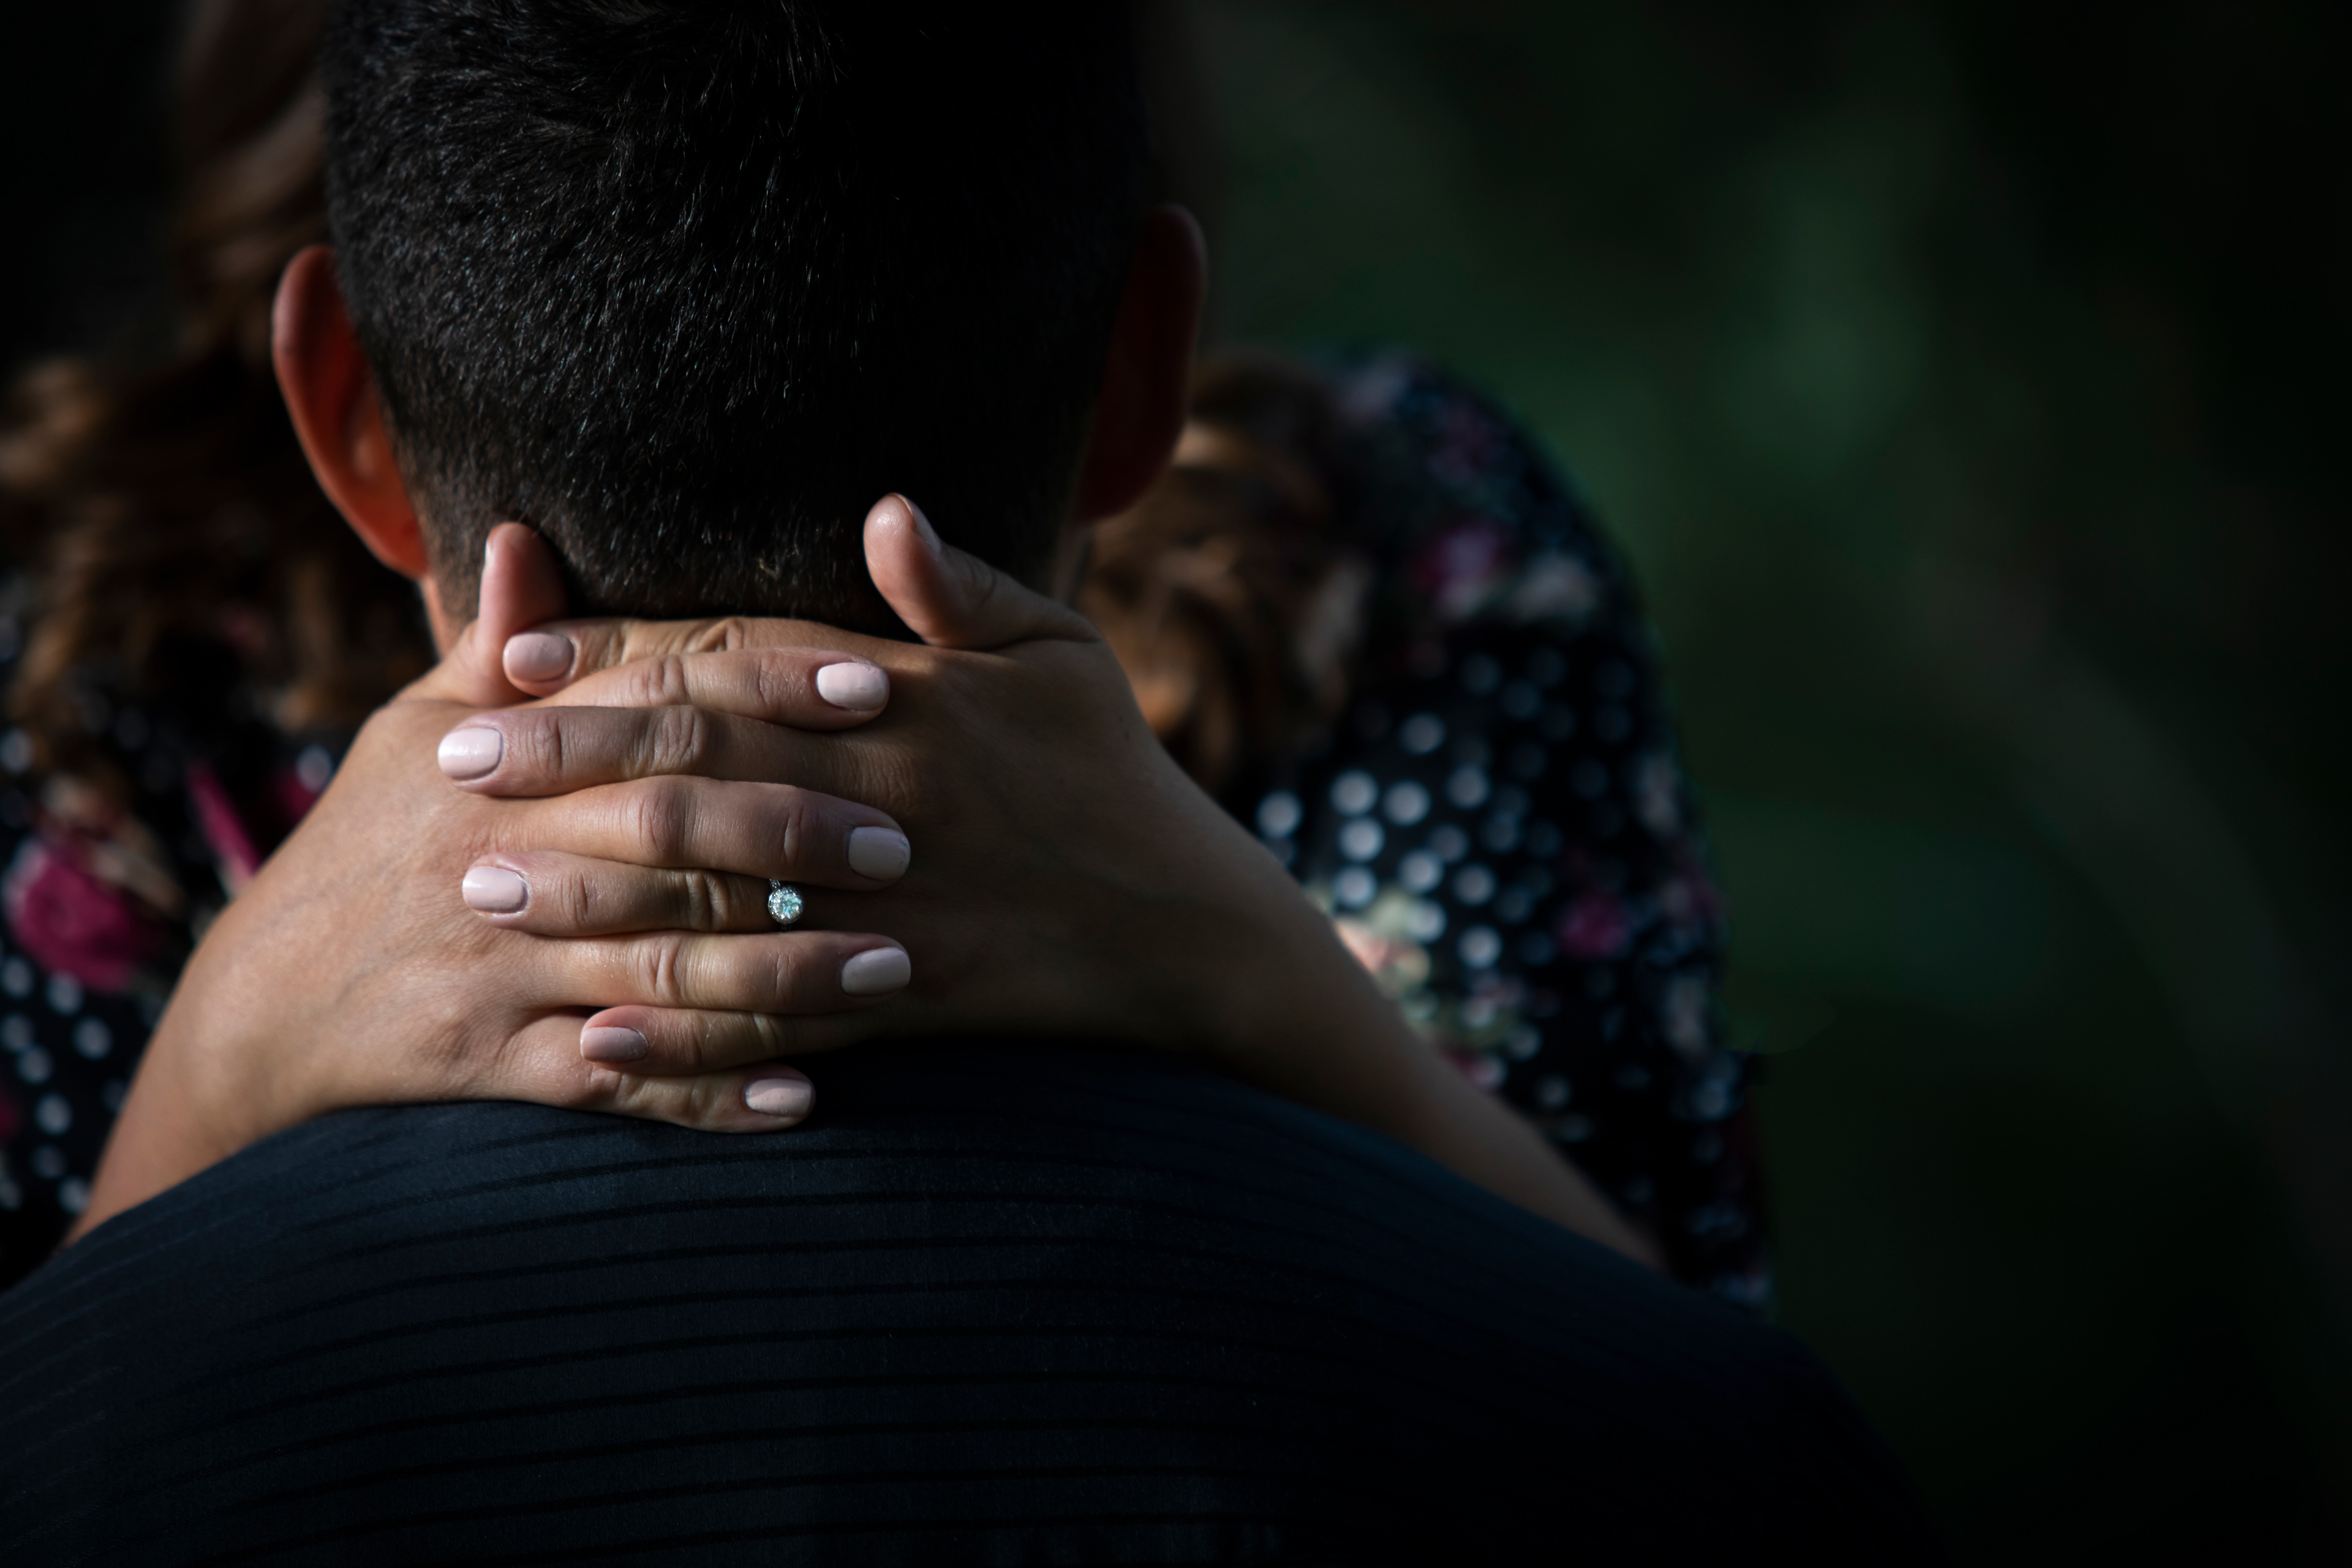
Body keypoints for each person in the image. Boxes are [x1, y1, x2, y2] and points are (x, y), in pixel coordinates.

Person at [0, 5, 1944, 1561]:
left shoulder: (1386, 556)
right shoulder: (96, 643)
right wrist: (230, 1049)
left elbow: (1667, 1411)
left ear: (341, 404)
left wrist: (1232, 952)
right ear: (1144, 365)